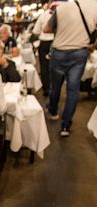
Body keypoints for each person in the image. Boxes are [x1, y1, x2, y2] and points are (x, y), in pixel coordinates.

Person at [43, 0, 97, 137]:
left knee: (55, 86)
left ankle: (53, 112)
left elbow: (46, 29)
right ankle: (65, 126)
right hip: (79, 52)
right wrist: (92, 45)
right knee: (72, 90)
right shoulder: (95, 7)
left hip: (59, 51)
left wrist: (62, 29)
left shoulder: (61, 8)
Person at [32, 3, 56, 96]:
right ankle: (54, 89)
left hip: (45, 43)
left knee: (44, 67)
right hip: (56, 43)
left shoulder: (44, 15)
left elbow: (36, 31)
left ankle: (47, 89)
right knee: (56, 68)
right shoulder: (62, 14)